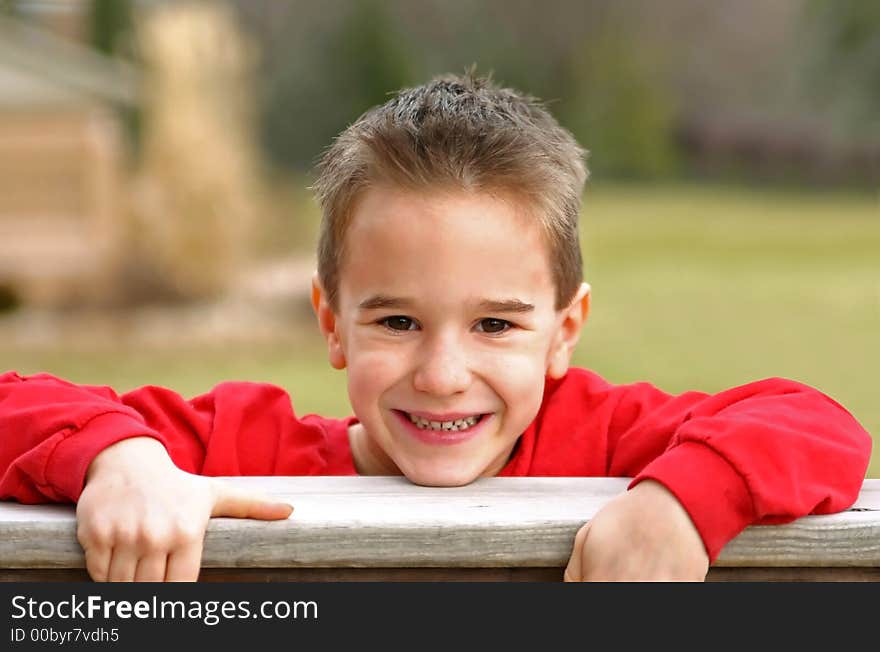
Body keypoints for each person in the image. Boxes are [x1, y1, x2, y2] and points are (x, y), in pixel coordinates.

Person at [0, 72, 872, 582]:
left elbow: (813, 423)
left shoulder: (611, 440)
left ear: (565, 331)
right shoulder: (239, 452)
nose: (443, 373)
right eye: (399, 321)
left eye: (495, 323)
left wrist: (679, 507)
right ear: (331, 323)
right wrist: (123, 460)